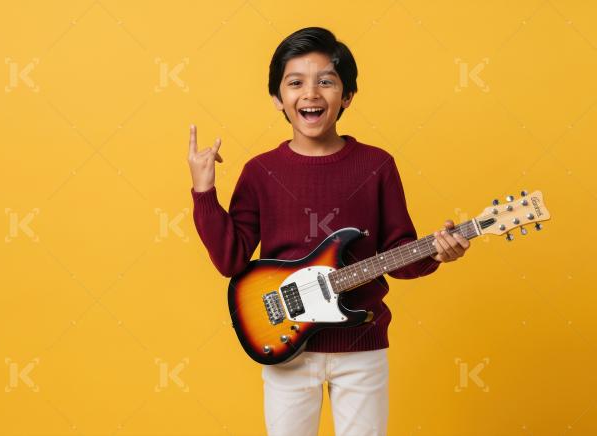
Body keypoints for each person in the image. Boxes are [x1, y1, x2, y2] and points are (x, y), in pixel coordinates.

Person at [186, 27, 470, 435]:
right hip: (285, 346)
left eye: (326, 81)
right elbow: (230, 259)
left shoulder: (377, 165)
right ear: (277, 98)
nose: (311, 93)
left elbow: (399, 255)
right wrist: (203, 190)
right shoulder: (261, 172)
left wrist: (437, 253)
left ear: (348, 95)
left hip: (361, 345)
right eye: (295, 82)